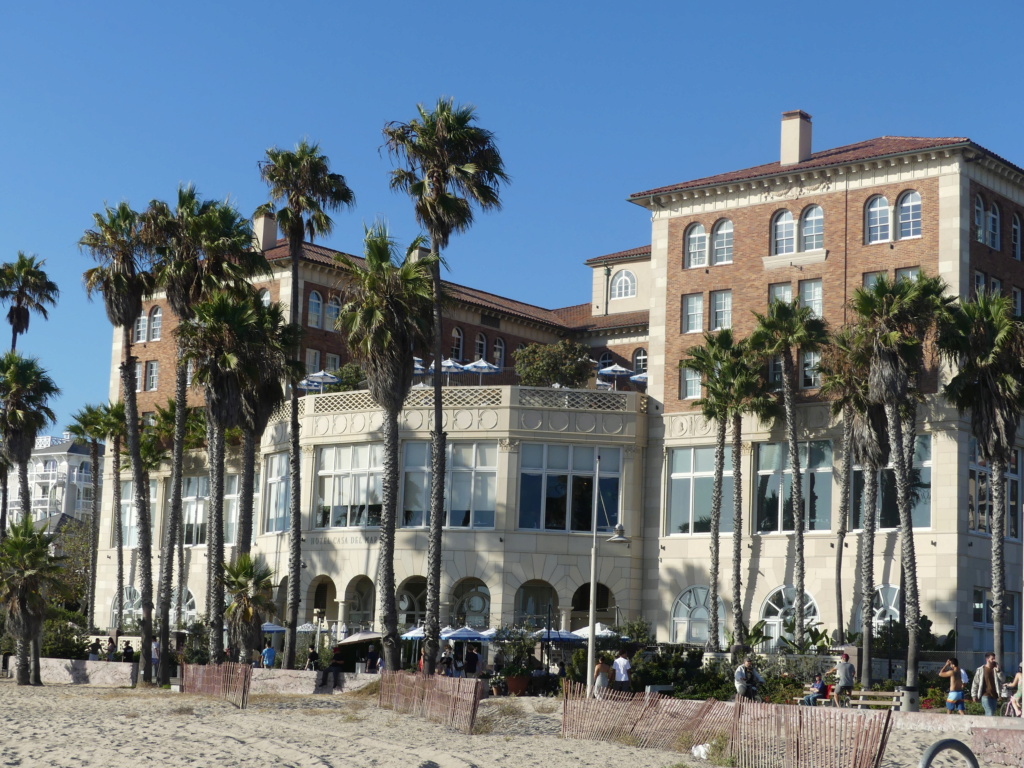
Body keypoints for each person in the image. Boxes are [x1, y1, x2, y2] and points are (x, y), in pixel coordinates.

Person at [971, 652, 1005, 716]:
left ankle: (986, 725)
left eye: (994, 659)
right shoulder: (981, 670)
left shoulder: (996, 669)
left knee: (992, 712)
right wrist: (974, 695)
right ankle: (988, 725)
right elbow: (975, 683)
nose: (994, 660)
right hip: (985, 695)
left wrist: (998, 671)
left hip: (994, 695)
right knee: (990, 711)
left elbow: (1003, 679)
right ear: (987, 659)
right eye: (992, 659)